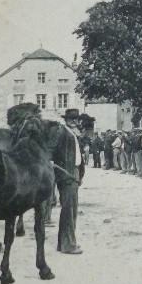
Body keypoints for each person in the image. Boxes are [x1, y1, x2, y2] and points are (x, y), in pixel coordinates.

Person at [55, 108, 84, 255]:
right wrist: (66, 174)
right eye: (73, 119)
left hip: (74, 172)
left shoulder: (72, 133)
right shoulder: (62, 133)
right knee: (69, 209)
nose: (76, 121)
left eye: (77, 119)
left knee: (71, 209)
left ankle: (64, 243)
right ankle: (68, 245)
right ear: (67, 120)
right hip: (68, 174)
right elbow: (56, 155)